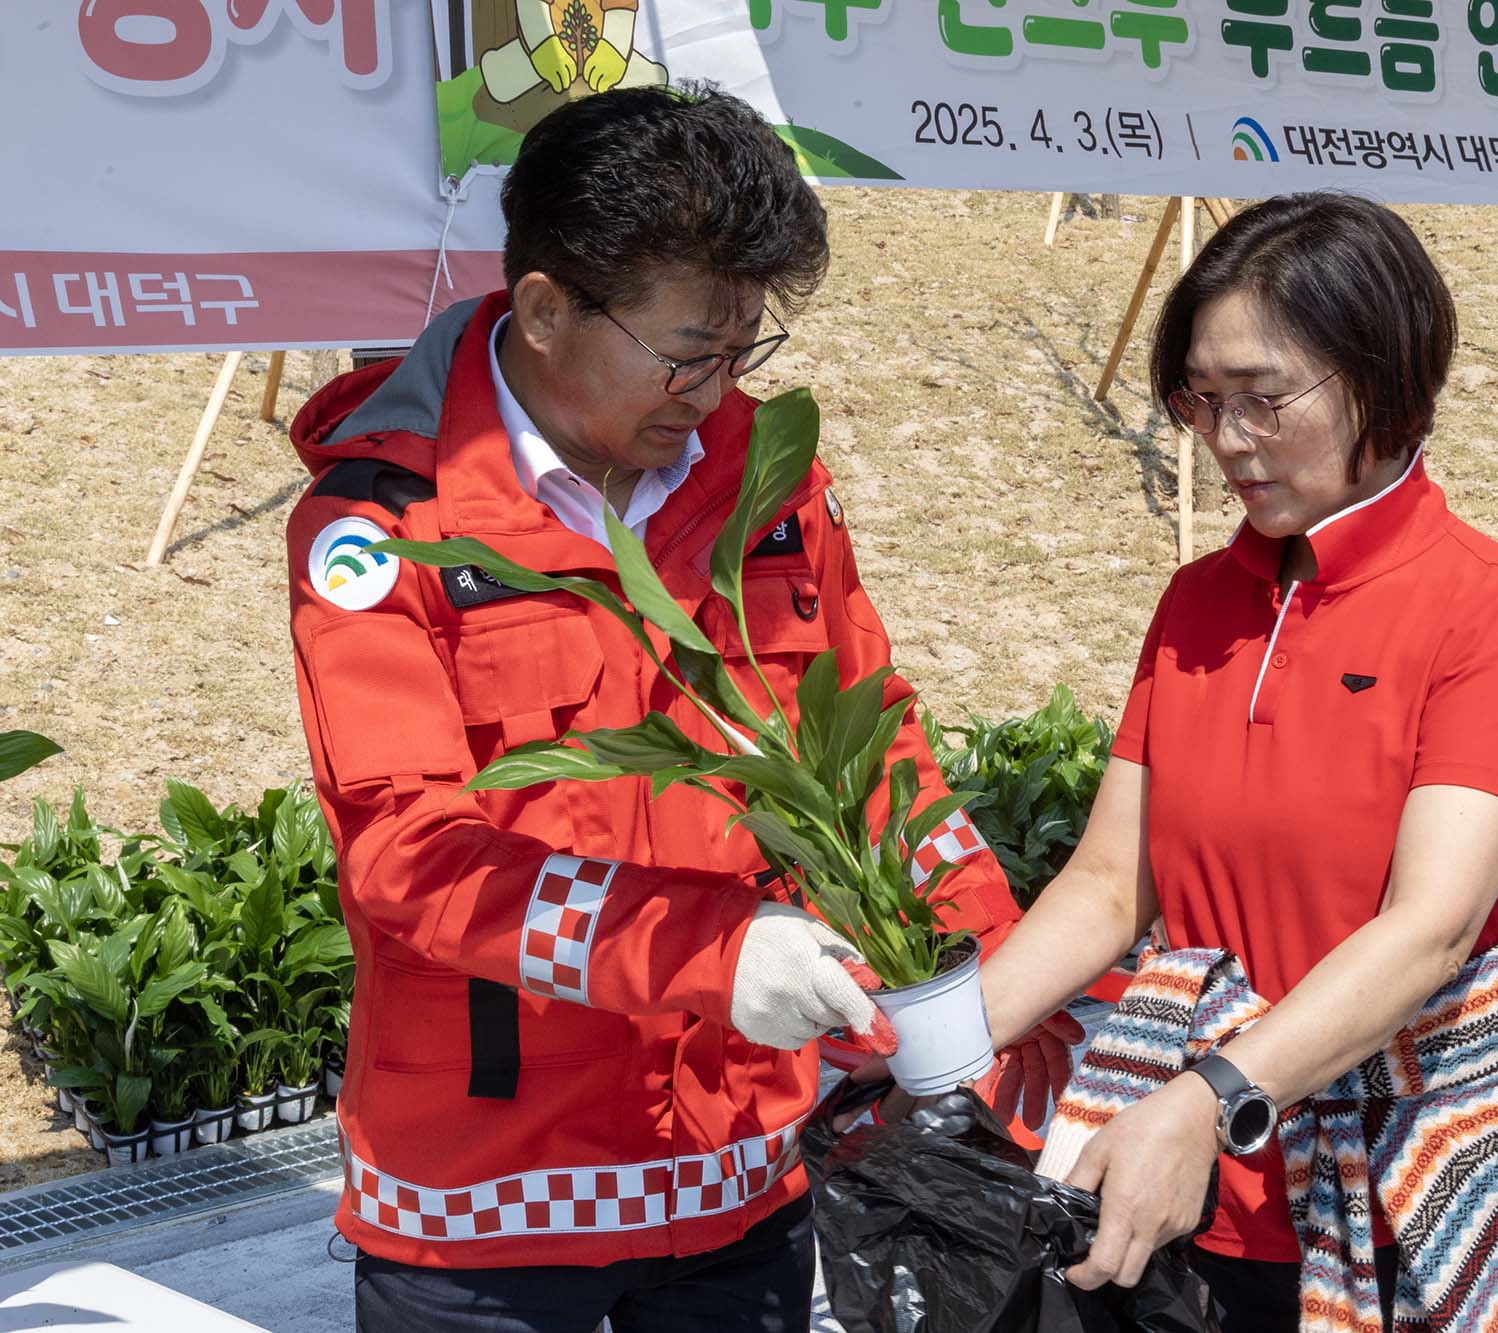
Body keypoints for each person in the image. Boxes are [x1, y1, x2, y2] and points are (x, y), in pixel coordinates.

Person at [285, 86, 1069, 1332]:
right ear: (545, 310)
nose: (713, 390)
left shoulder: (764, 482)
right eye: (686, 351)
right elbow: (407, 852)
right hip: (490, 1203)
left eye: (742, 349)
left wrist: (992, 968)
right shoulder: (386, 523)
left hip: (736, 1175)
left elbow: (870, 749)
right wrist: (710, 949)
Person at [976, 193, 1498, 1331]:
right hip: (1190, 1183)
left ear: (1385, 375)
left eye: (1263, 398)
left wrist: (1208, 1100)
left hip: (1411, 1186)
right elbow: (1111, 885)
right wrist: (941, 1041)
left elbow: (1430, 930)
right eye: (1202, 401)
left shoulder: (1490, 615)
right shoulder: (1198, 603)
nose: (1228, 439)